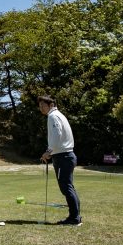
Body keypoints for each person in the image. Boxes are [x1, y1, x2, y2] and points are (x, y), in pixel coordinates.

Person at [38, 95, 81, 226]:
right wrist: (51, 152)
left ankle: (74, 218)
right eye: (39, 106)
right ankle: (76, 216)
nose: (41, 108)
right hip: (65, 155)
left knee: (66, 188)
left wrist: (48, 152)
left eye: (43, 106)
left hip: (63, 156)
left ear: (51, 105)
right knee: (68, 187)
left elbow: (57, 134)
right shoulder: (58, 115)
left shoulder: (53, 116)